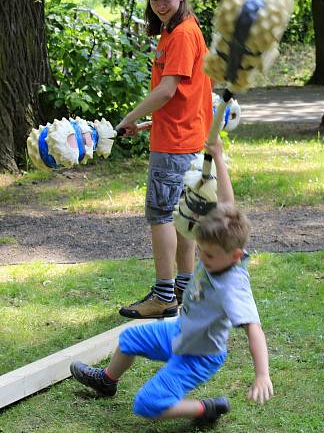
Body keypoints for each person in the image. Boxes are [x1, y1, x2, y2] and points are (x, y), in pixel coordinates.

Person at [70, 137, 273, 425]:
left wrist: (262, 374)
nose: (202, 258)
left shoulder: (233, 285)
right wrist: (217, 155)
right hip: (179, 331)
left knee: (147, 403)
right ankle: (107, 381)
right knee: (129, 339)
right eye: (200, 250)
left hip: (199, 355)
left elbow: (254, 330)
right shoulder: (222, 242)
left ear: (236, 255)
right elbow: (228, 204)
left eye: (210, 256)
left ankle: (206, 409)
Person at [115, 0, 213, 319]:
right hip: (183, 138)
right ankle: (185, 290)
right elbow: (183, 98)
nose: (160, 4)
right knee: (183, 217)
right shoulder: (174, 32)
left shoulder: (183, 34)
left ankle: (163, 296)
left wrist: (127, 117)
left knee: (161, 217)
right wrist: (144, 125)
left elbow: (167, 89)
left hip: (176, 145)